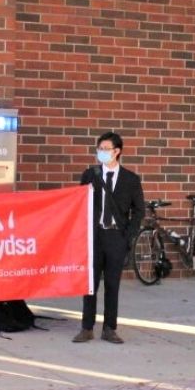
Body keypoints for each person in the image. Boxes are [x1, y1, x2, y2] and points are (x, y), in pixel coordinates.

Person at [73, 132, 144, 345]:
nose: (101, 153)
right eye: (99, 149)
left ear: (117, 151)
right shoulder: (90, 175)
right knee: (90, 284)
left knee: (113, 284)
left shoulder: (130, 179)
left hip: (116, 236)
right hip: (94, 236)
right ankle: (87, 327)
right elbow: (79, 203)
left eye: (106, 149)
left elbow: (138, 210)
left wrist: (127, 236)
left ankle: (109, 328)